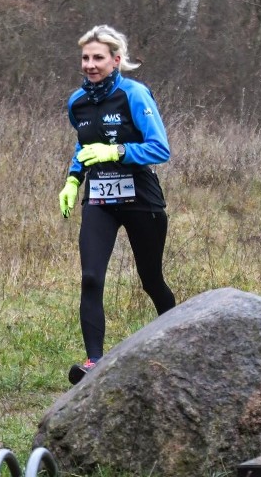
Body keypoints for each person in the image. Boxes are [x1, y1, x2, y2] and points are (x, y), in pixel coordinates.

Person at [58, 24, 176, 385]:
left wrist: (118, 151)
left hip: (140, 197)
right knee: (91, 277)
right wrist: (73, 178)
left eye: (98, 58)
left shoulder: (135, 95)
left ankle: (178, 343)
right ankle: (95, 362)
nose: (90, 65)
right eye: (85, 58)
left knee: (151, 279)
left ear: (116, 60)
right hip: (100, 197)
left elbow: (161, 148)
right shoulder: (77, 103)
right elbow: (84, 144)